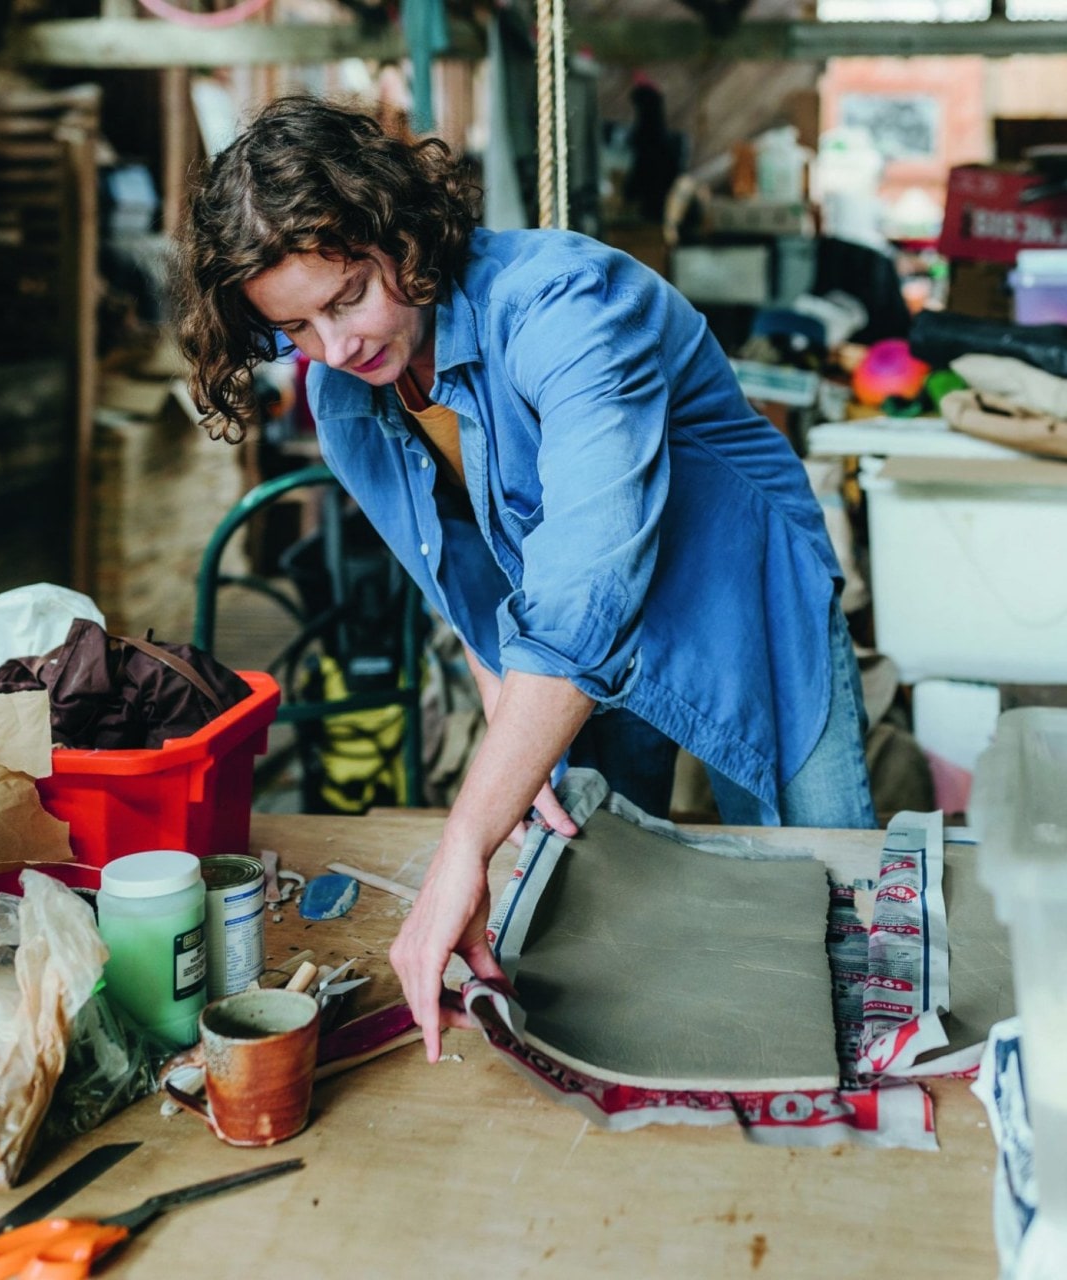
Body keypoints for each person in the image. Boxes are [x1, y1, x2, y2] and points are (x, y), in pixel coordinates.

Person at [176, 95, 874, 1063]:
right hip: (559, 642)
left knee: (831, 896)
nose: (335, 349)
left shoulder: (568, 304)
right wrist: (516, 740)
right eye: (295, 329)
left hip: (737, 602)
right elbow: (460, 580)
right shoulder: (348, 393)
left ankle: (836, 1110)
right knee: (594, 893)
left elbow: (586, 593)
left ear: (401, 232)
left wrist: (464, 844)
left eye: (347, 299)